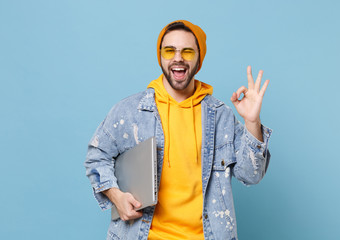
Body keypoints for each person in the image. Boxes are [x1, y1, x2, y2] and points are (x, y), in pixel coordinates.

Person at [85, 20, 272, 240]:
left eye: (187, 51)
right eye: (169, 50)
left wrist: (252, 122)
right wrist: (115, 196)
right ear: (160, 55)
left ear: (199, 58)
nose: (178, 58)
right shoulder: (130, 112)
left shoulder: (220, 116)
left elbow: (251, 175)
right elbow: (96, 157)